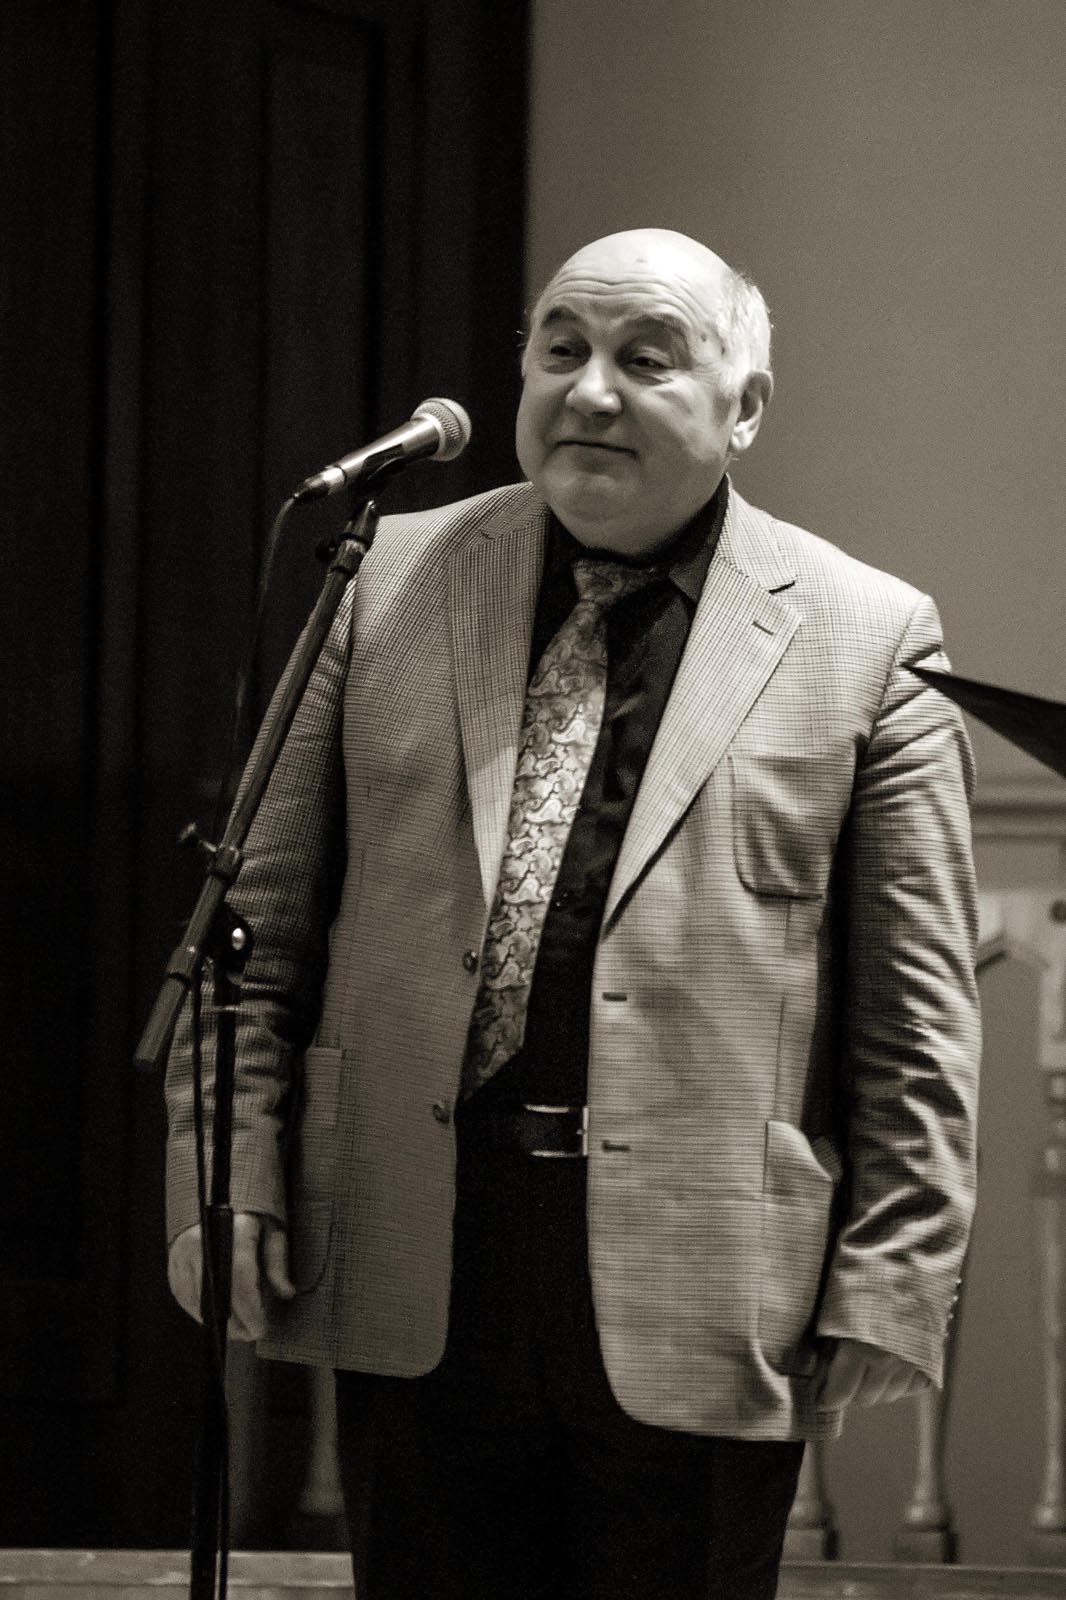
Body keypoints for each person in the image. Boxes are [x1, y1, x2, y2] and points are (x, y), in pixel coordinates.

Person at [166, 228, 980, 1600]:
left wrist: (895, 1271)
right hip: (420, 1240)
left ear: (743, 407)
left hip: (707, 1270)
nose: (590, 390)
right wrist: (230, 1170)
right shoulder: (382, 578)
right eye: (562, 350)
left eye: (645, 359)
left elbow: (916, 1012)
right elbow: (255, 925)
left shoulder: (867, 634)